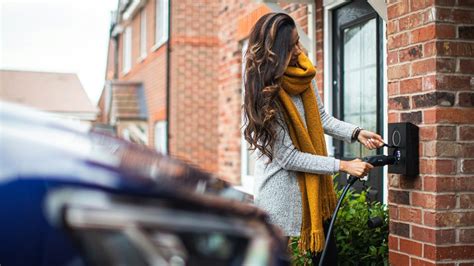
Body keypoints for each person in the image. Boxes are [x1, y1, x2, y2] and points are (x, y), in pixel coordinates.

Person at [242, 13, 384, 264]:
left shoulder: (303, 75)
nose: (299, 50)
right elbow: (288, 157)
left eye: (298, 41)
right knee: (273, 260)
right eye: (292, 46)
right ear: (275, 53)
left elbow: (321, 118)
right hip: (279, 193)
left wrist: (357, 132)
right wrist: (342, 165)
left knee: (327, 256)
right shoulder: (265, 96)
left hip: (314, 189)